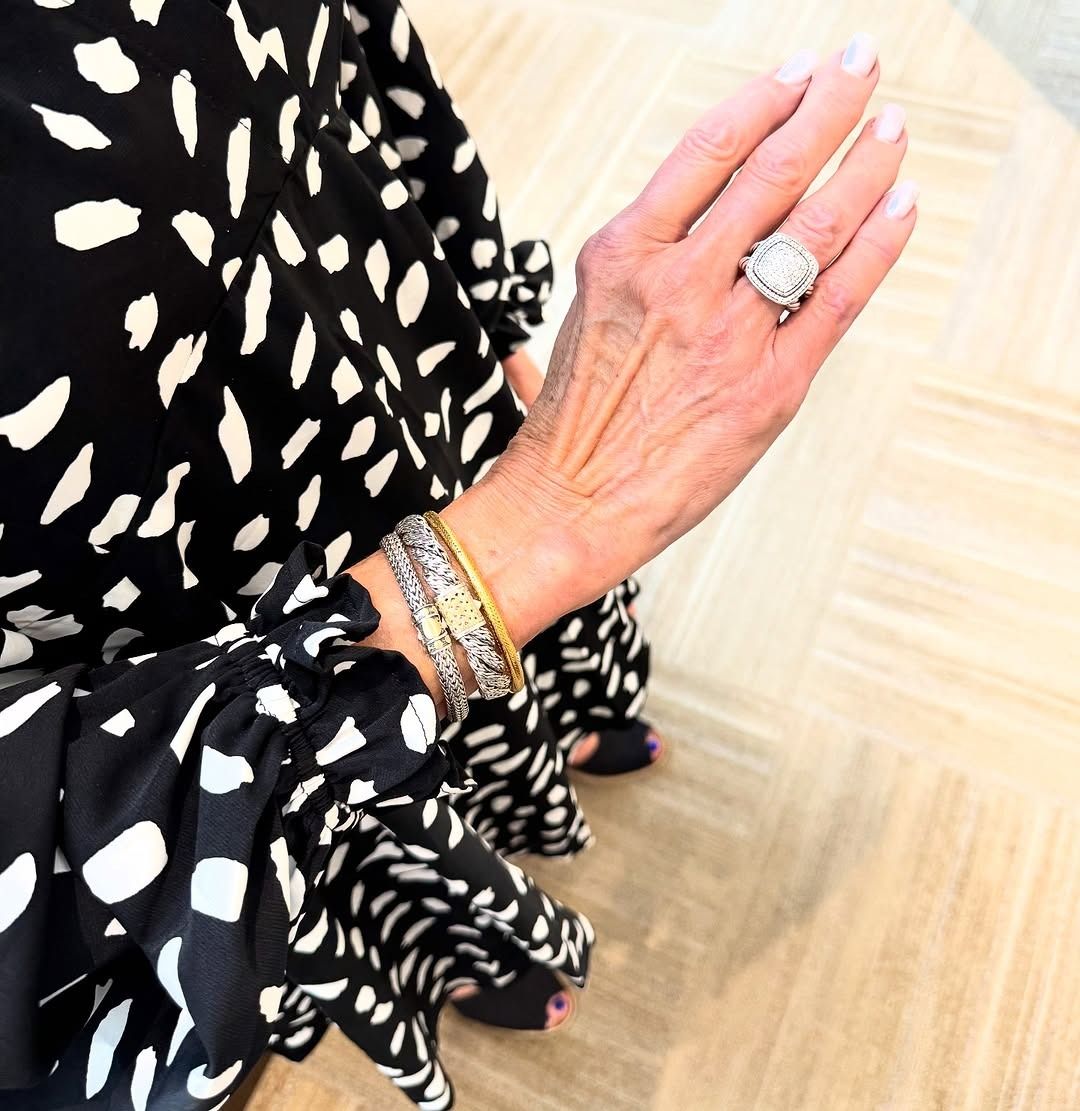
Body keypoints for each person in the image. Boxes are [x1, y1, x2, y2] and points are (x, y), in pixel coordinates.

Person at [0, 0, 915, 1105]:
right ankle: (452, 938)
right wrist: (526, 531)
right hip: (173, 645)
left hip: (393, 360)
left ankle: (532, 749)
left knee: (515, 679)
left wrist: (485, 303)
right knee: (352, 807)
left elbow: (352, 58)